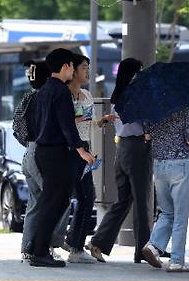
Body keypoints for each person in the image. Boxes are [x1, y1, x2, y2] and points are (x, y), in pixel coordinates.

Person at [30, 48, 95, 267]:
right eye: (71, 65)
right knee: (55, 203)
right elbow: (67, 126)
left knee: (51, 202)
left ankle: (35, 247)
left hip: (43, 151)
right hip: (56, 153)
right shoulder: (61, 92)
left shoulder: (44, 90)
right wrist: (82, 150)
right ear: (66, 67)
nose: (73, 70)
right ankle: (39, 251)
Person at [88, 58, 154, 264]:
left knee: (123, 201)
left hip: (122, 148)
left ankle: (98, 241)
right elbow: (146, 123)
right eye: (139, 71)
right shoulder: (135, 96)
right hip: (137, 149)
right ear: (134, 73)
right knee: (142, 201)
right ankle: (143, 249)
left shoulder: (118, 95)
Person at [66, 54, 117, 263]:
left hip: (84, 148)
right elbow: (68, 122)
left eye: (88, 67)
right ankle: (73, 245)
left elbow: (86, 123)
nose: (87, 71)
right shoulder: (64, 94)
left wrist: (102, 121)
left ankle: (74, 242)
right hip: (70, 149)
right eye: (84, 67)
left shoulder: (86, 95)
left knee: (87, 196)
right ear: (72, 70)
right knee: (82, 197)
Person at [17, 61, 70, 260]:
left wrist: (29, 143)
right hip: (44, 151)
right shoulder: (47, 96)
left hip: (29, 151)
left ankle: (27, 247)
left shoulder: (28, 97)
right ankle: (43, 245)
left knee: (36, 202)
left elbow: (17, 127)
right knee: (55, 200)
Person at [142, 105, 189, 272]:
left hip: (159, 164)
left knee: (167, 212)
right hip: (179, 164)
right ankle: (177, 261)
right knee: (180, 216)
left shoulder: (153, 107)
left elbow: (148, 134)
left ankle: (153, 245)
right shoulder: (185, 107)